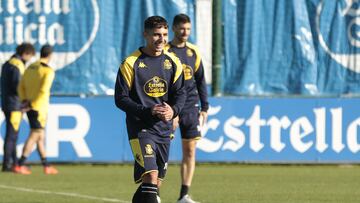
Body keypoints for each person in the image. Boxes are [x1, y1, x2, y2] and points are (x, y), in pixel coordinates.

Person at [114, 16, 186, 203]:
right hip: (141, 129)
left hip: (164, 129)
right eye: (156, 34)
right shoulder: (131, 63)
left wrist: (174, 111)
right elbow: (120, 99)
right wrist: (148, 111)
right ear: (145, 34)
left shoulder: (173, 62)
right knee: (151, 174)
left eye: (164, 34)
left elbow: (181, 94)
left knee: (155, 183)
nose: (161, 39)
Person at [165, 14, 209, 203]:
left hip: (191, 106)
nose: (185, 33)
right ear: (174, 29)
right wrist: (171, 109)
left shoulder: (193, 52)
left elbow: (200, 80)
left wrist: (205, 107)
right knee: (161, 150)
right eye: (182, 29)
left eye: (188, 29)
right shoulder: (164, 50)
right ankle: (154, 194)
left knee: (190, 151)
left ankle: (184, 195)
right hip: (169, 107)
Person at [14, 45, 58, 175]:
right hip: (39, 108)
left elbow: (20, 86)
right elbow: (44, 90)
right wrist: (33, 103)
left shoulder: (30, 67)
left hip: (29, 105)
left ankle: (46, 165)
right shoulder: (48, 71)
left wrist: (24, 101)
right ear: (50, 55)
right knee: (35, 134)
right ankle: (20, 164)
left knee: (40, 136)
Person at [1, 43, 35, 172]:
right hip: (14, 105)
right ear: (25, 53)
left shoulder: (7, 63)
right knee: (11, 135)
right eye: (30, 56)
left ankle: (14, 163)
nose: (29, 59)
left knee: (12, 135)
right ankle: (7, 164)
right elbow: (18, 86)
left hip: (7, 102)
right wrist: (25, 101)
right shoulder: (17, 65)